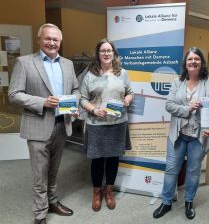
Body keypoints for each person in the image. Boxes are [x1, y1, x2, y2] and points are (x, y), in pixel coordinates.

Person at [8, 23, 80, 224]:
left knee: (53, 170)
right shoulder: (24, 63)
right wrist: (43, 102)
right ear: (39, 40)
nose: (51, 42)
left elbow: (75, 89)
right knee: (40, 175)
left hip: (62, 124)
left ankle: (53, 201)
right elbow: (14, 95)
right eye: (47, 38)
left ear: (60, 42)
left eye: (55, 39)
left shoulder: (67, 64)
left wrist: (73, 102)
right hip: (38, 126)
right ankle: (40, 214)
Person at [153, 47, 209, 220]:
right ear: (185, 63)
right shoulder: (177, 83)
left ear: (202, 62)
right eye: (190, 59)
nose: (193, 62)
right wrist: (188, 108)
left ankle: (189, 202)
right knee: (171, 170)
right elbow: (169, 105)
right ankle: (166, 202)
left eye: (197, 59)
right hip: (178, 134)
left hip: (198, 136)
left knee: (193, 171)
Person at [80, 38, 133, 212]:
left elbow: (130, 93)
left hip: (117, 123)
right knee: (97, 159)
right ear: (98, 54)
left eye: (109, 50)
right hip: (96, 123)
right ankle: (97, 191)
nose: (106, 53)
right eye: (103, 50)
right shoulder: (90, 75)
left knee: (112, 158)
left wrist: (127, 99)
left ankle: (108, 190)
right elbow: (82, 99)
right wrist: (94, 110)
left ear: (114, 54)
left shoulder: (122, 73)